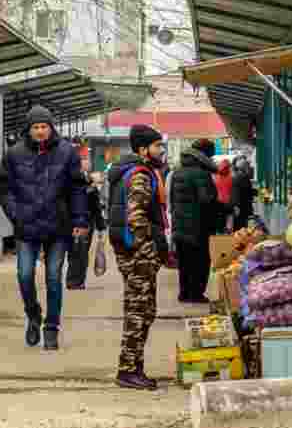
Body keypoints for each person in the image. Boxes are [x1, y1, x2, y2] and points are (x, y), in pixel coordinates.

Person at [1, 105, 89, 351]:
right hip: (26, 225)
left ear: (51, 128)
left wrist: (80, 220)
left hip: (58, 225)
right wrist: (15, 214)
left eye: (44, 126)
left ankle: (51, 327)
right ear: (28, 130)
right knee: (24, 275)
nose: (40, 131)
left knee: (53, 278)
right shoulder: (14, 154)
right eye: (35, 127)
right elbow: (5, 190)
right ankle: (33, 314)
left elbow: (77, 188)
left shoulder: (67, 152)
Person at [107, 124, 170, 390]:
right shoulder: (141, 175)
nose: (161, 151)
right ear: (144, 150)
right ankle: (128, 369)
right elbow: (136, 216)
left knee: (145, 310)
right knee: (138, 311)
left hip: (132, 250)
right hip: (138, 253)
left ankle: (134, 366)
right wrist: (149, 249)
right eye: (158, 146)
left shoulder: (136, 171)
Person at [170, 139, 221, 304]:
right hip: (198, 226)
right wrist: (224, 208)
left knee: (184, 262)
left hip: (180, 224)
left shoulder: (177, 172)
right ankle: (196, 294)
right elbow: (207, 200)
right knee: (200, 261)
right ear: (205, 155)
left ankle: (184, 293)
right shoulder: (201, 173)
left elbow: (172, 200)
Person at [66, 171, 107, 290]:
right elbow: (96, 209)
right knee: (81, 253)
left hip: (73, 223)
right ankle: (76, 281)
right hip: (85, 224)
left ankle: (73, 279)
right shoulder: (90, 190)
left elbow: (96, 209)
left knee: (74, 252)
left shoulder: (70, 186)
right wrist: (101, 227)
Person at [231, 155, 256, 228]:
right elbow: (244, 191)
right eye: (247, 165)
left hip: (241, 206)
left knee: (239, 225)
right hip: (242, 206)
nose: (249, 167)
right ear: (244, 167)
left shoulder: (237, 176)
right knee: (240, 225)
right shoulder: (242, 177)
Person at [214, 158, 234, 231]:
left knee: (220, 221)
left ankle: (220, 235)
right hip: (229, 202)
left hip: (218, 202)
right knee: (229, 221)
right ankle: (227, 232)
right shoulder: (231, 177)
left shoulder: (216, 176)